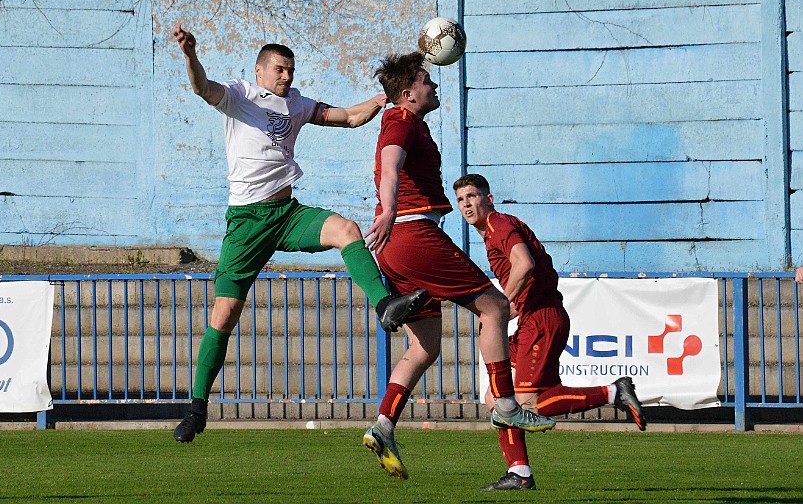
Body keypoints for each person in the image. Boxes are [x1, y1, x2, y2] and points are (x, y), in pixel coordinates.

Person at [170, 25, 429, 443]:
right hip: (247, 223)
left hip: (287, 214)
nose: (286, 76)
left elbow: (347, 118)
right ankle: (197, 408)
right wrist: (190, 55)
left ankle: (385, 305)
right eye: (278, 69)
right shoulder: (239, 95)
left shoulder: (297, 103)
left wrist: (384, 100)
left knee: (346, 229)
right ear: (259, 71)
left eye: (290, 70)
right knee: (224, 314)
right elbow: (202, 88)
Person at [360, 52, 556, 481]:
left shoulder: (403, 117)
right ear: (409, 94)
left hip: (396, 246)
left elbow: (391, 142)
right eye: (426, 80)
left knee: (425, 346)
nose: (435, 85)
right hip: (414, 234)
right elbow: (390, 165)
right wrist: (390, 210)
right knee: (495, 308)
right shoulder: (402, 121)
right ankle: (506, 405)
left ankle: (384, 425)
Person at [453, 173, 647, 491]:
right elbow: (526, 282)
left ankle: (615, 392)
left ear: (488, 198)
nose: (467, 204)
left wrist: (499, 308)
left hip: (542, 321)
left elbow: (524, 264)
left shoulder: (499, 224)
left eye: (473, 196)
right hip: (532, 319)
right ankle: (519, 473)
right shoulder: (490, 232)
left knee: (527, 406)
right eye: (461, 199)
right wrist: (495, 315)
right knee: (497, 397)